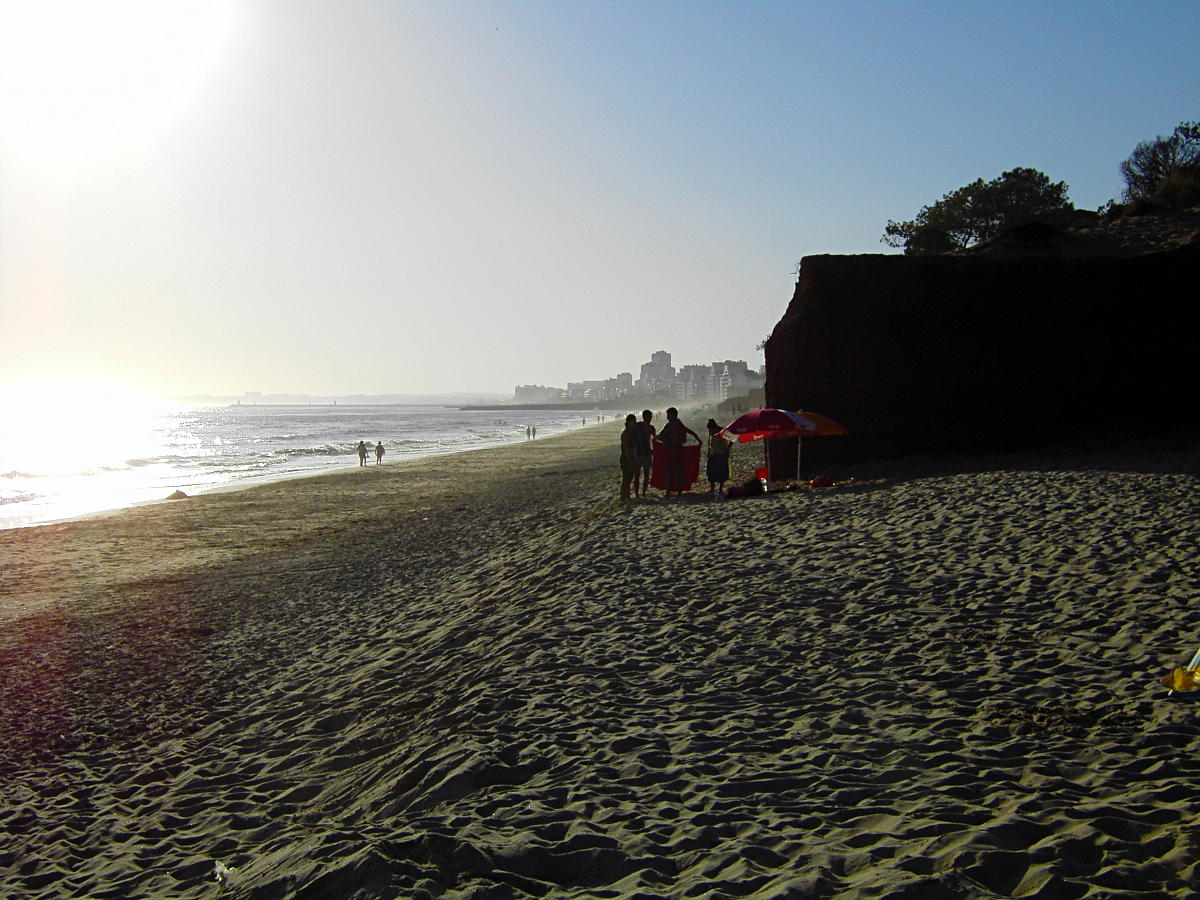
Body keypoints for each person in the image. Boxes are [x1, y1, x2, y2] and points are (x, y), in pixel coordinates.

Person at [656, 407, 700, 497]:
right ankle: (679, 492)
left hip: (671, 452)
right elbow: (689, 432)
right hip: (679, 451)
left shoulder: (669, 425)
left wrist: (656, 438)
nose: (667, 417)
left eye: (668, 415)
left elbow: (660, 436)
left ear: (672, 415)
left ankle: (668, 492)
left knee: (669, 472)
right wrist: (698, 439)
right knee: (678, 472)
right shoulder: (680, 424)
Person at [705, 419, 732, 494]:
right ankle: (712, 488)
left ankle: (720, 488)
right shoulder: (711, 432)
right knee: (712, 472)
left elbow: (732, 439)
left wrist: (728, 448)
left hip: (722, 453)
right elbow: (709, 441)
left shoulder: (722, 431)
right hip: (713, 453)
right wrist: (709, 451)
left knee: (722, 472)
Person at [634, 409, 656, 498]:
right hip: (638, 453)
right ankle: (636, 494)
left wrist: (654, 450)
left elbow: (655, 440)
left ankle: (643, 492)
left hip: (647, 453)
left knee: (646, 474)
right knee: (637, 474)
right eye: (647, 417)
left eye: (650, 417)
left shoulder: (651, 428)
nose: (649, 419)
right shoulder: (638, 426)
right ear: (643, 417)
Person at [619, 414, 639, 500]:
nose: (634, 423)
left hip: (632, 457)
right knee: (626, 479)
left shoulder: (632, 432)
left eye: (635, 421)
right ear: (628, 422)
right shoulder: (625, 433)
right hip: (626, 458)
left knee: (630, 477)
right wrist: (631, 461)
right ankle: (623, 497)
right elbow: (626, 449)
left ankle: (627, 496)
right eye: (633, 422)